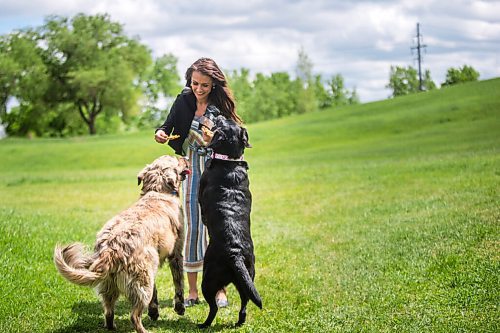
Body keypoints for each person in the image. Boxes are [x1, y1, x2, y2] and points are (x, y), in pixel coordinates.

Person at [154, 57, 243, 308]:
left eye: (205, 85)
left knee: (216, 229)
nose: (199, 89)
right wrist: (161, 133)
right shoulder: (183, 101)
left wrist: (214, 136)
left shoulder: (221, 106)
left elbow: (233, 137)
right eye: (195, 83)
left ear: (214, 84)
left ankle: (219, 290)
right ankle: (192, 291)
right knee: (193, 228)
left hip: (216, 171)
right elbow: (167, 126)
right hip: (191, 169)